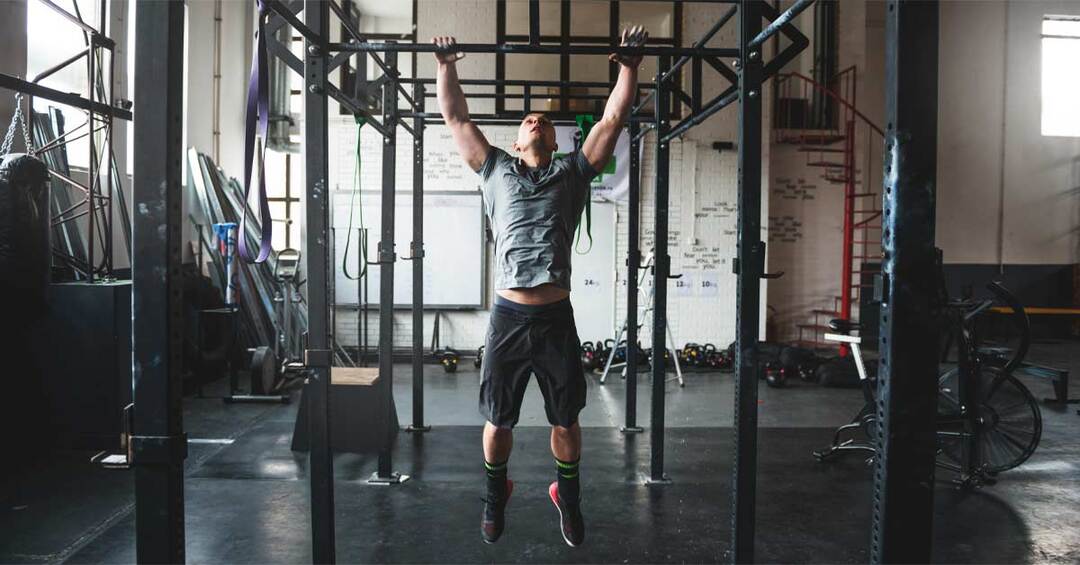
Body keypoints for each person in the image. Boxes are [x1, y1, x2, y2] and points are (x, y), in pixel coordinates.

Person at [432, 26, 647, 547]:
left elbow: (614, 118)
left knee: (566, 420)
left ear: (555, 141)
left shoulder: (574, 172)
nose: (537, 120)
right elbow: (456, 117)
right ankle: (494, 492)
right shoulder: (495, 170)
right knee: (497, 422)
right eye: (529, 120)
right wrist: (446, 64)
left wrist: (630, 67)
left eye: (545, 121)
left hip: (554, 316)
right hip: (507, 316)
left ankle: (567, 498)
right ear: (516, 141)